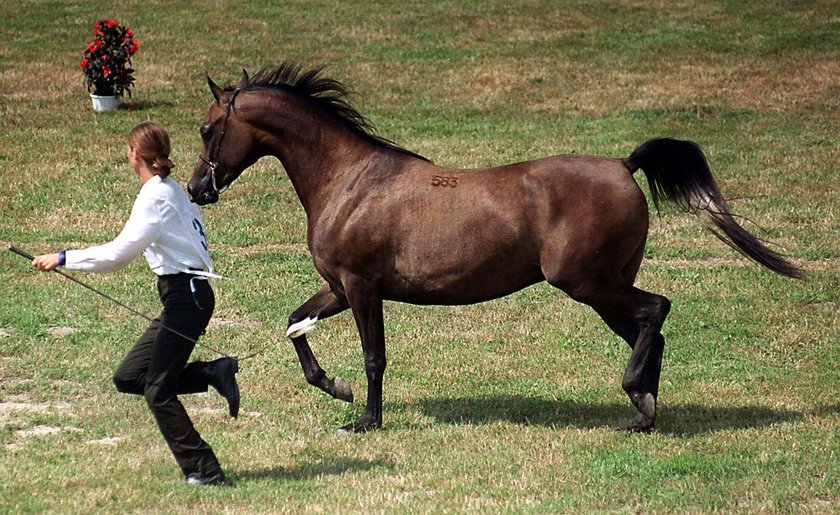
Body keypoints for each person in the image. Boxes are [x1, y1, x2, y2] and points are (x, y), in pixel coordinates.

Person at [31, 122, 239, 486]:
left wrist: (64, 258)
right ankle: (211, 373)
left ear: (134, 155)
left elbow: (118, 255)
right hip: (186, 296)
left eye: (128, 149)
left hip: (185, 298)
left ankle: (206, 471)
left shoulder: (155, 198)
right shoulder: (168, 189)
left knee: (158, 390)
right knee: (130, 377)